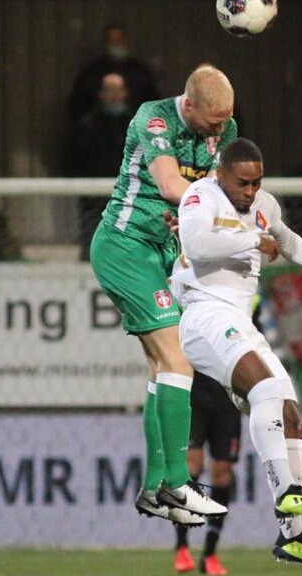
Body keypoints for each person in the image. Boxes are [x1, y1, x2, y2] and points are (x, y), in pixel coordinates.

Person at [171, 137, 302, 568]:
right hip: (204, 315)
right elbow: (197, 247)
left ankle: (293, 535)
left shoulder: (264, 205)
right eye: (243, 183)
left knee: (289, 410)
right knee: (267, 390)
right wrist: (253, 240)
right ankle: (289, 493)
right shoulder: (201, 196)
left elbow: (287, 241)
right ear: (221, 173)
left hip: (238, 321)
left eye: (257, 183)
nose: (250, 192)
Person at [89, 65, 238, 524]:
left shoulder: (225, 126)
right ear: (188, 104)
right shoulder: (153, 119)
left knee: (161, 367)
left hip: (164, 251)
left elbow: (211, 188)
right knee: (179, 359)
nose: (221, 129)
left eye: (225, 121)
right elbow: (173, 185)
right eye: (213, 121)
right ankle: (177, 483)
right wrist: (219, 212)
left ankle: (154, 488)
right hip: (125, 246)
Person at [173, 372, 243, 576]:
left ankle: (210, 553)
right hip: (193, 392)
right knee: (192, 464)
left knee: (222, 473)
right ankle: (182, 545)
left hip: (227, 396)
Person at [66, 72, 132, 261]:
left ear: (124, 93)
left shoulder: (136, 125)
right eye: (108, 90)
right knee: (93, 240)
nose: (113, 95)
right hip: (93, 200)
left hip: (128, 197)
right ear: (101, 94)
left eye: (117, 90)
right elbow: (73, 159)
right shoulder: (87, 125)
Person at [67, 22, 160, 120]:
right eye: (111, 40)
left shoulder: (140, 71)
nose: (116, 44)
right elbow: (77, 104)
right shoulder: (91, 72)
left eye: (119, 39)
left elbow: (152, 102)